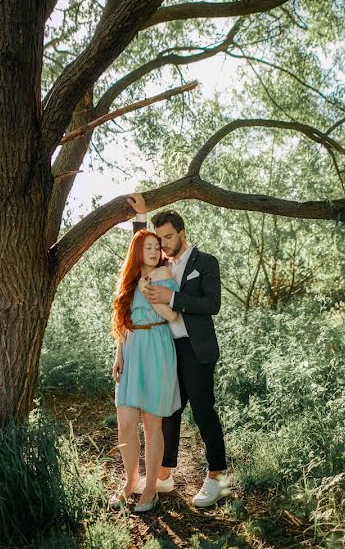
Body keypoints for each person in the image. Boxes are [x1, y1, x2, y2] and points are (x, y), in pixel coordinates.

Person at [126, 193, 229, 508]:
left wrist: (171, 299)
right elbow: (139, 250)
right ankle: (164, 474)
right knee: (167, 411)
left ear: (182, 233)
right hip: (166, 349)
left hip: (196, 351)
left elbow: (213, 304)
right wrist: (140, 218)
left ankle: (217, 478)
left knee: (202, 411)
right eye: (160, 238)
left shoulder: (206, 262)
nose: (164, 243)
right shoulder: (160, 261)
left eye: (169, 236)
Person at [110, 229, 181, 513]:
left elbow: (173, 315)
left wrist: (153, 298)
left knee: (152, 425)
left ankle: (150, 488)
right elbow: (122, 323)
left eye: (157, 247)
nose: (155, 251)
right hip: (131, 349)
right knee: (125, 423)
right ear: (137, 250)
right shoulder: (128, 282)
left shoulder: (164, 275)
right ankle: (131, 481)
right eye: (149, 247)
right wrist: (118, 355)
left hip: (156, 349)